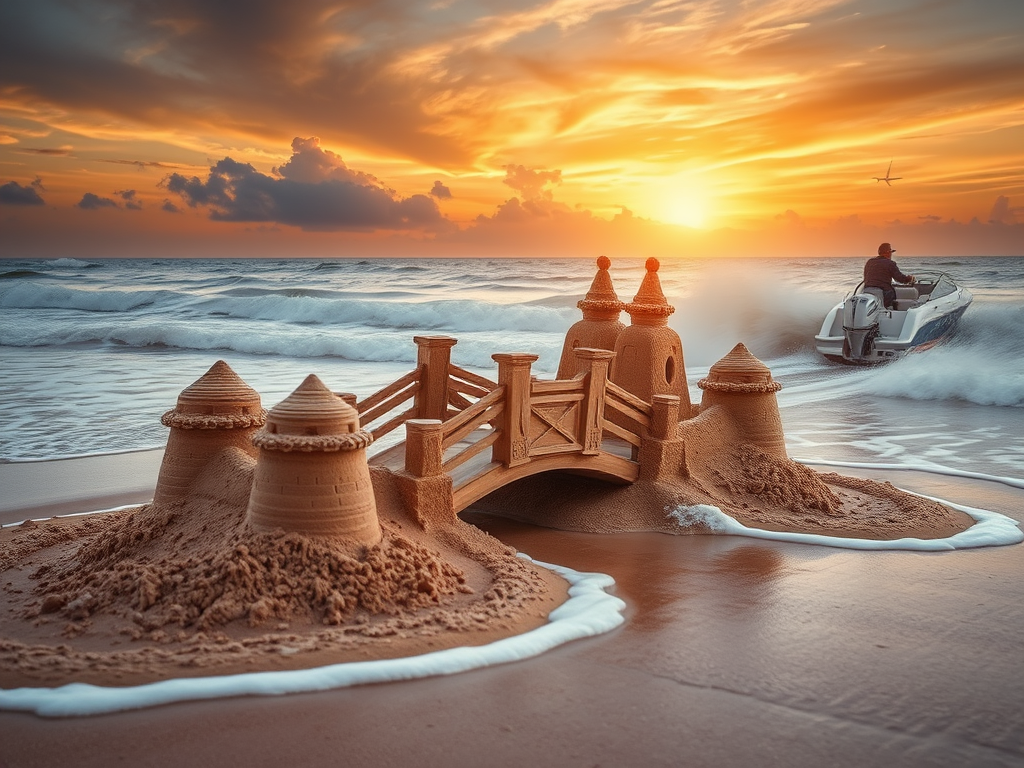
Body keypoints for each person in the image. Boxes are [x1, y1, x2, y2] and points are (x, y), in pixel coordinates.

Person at [864, 242, 914, 309]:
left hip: (867, 289)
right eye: (890, 252)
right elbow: (900, 279)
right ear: (888, 253)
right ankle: (890, 309)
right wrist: (910, 278)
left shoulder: (870, 262)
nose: (891, 254)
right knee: (890, 296)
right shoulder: (890, 263)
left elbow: (865, 277)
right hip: (884, 291)